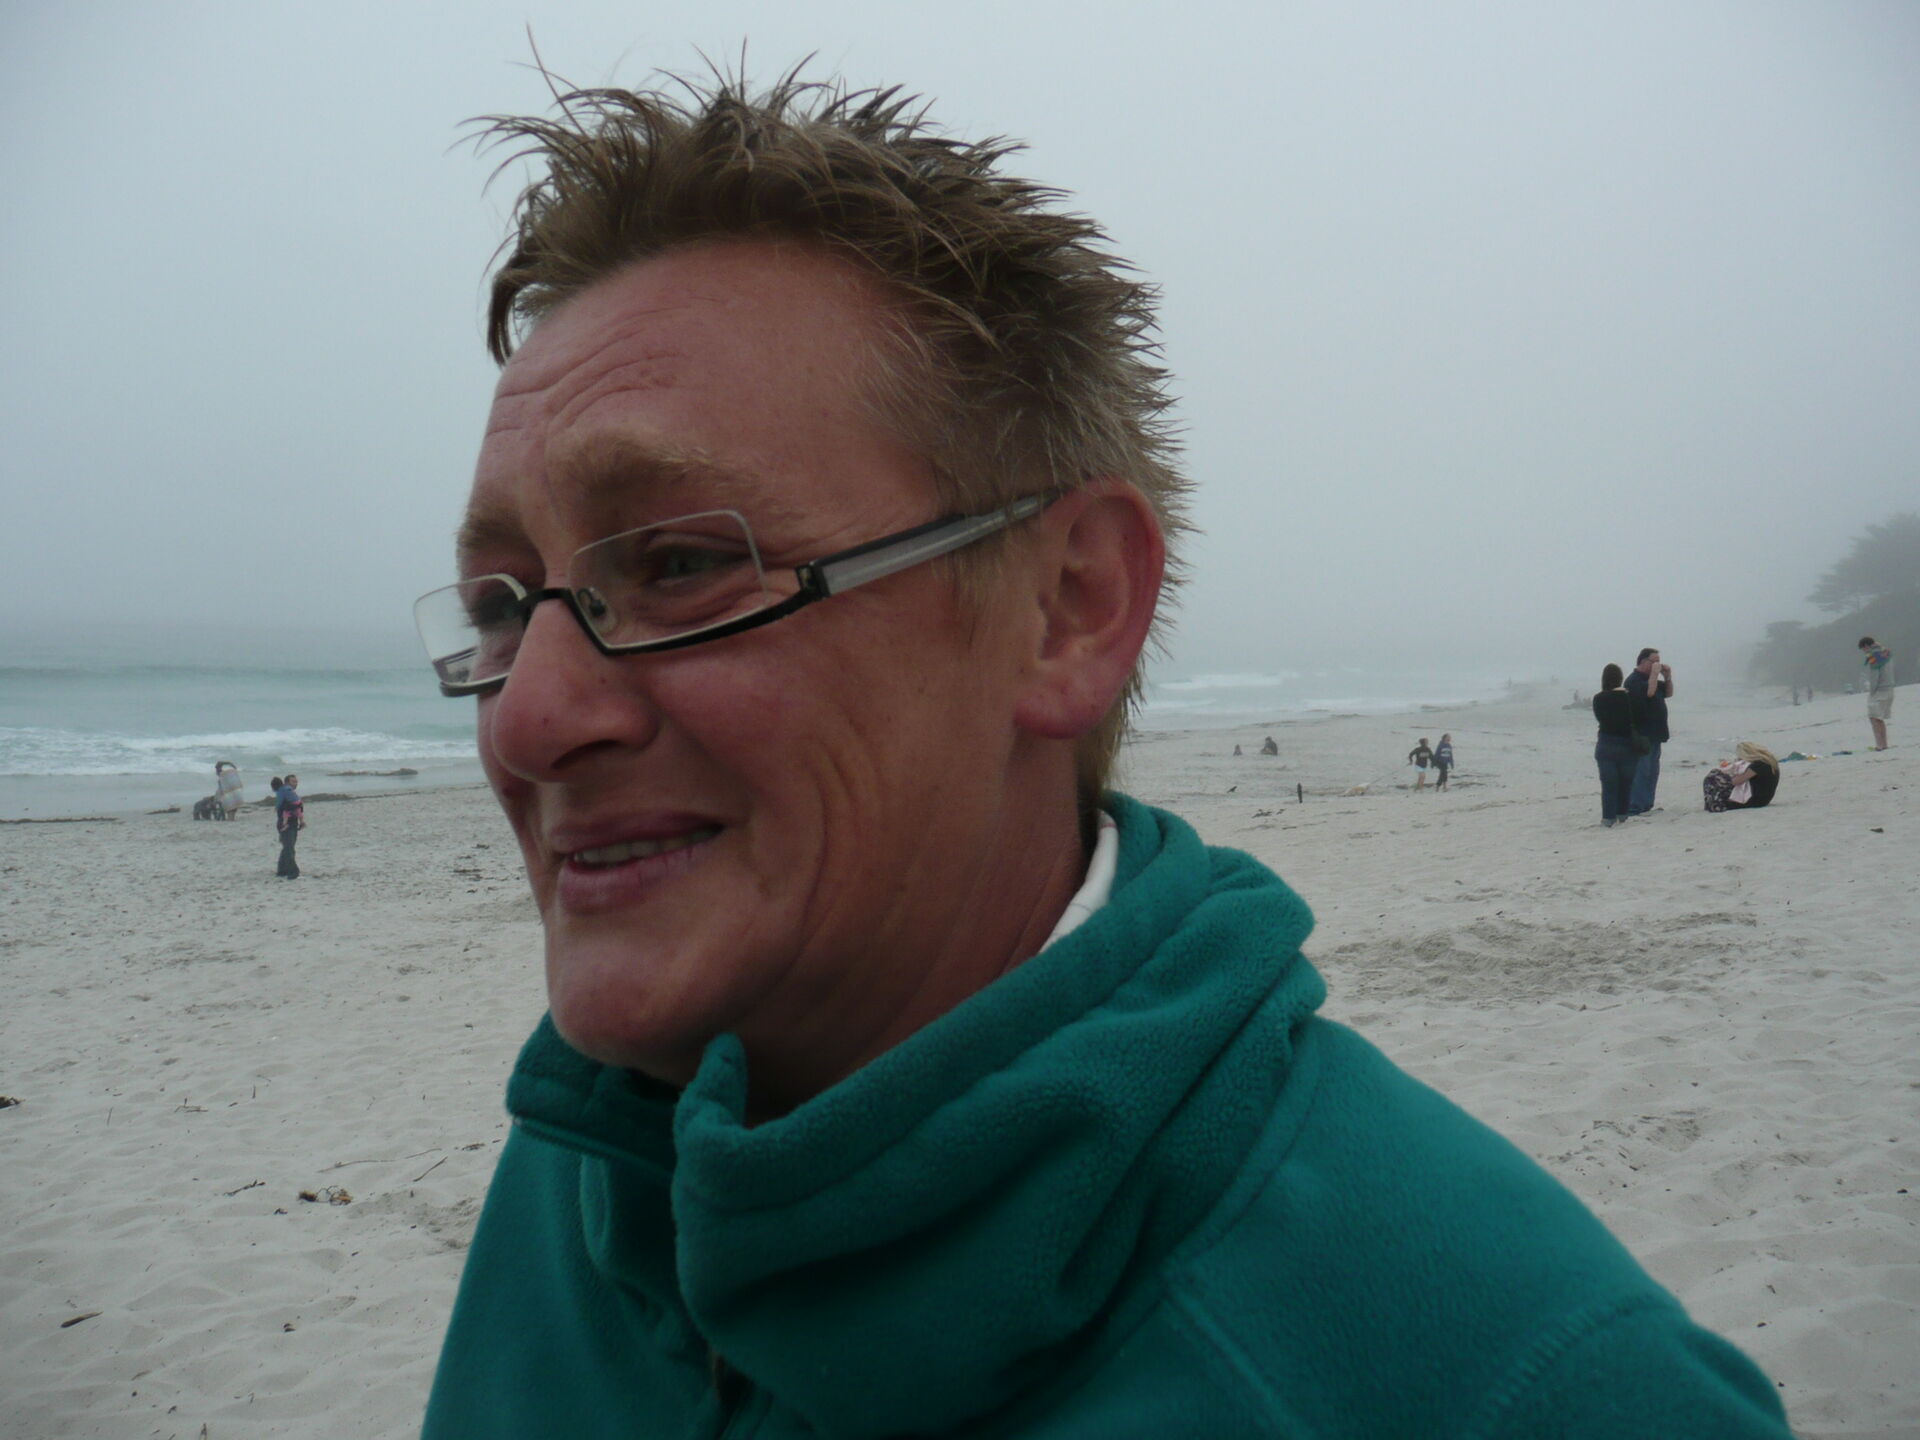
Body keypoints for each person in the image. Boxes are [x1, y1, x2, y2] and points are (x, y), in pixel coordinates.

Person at [415, 72, 1790, 1438]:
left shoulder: (1525, 1387)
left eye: (681, 564)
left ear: (1069, 610)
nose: (527, 720)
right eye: (497, 607)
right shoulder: (588, 1161)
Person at [1624, 646, 1674, 814]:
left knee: (1652, 771)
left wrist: (1667, 676)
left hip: (1656, 733)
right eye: (1654, 661)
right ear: (1643, 661)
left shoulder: (1652, 680)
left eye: (1658, 661)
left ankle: (1647, 804)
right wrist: (1654, 673)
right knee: (1642, 770)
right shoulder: (1633, 681)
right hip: (1642, 733)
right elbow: (1649, 693)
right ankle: (1635, 806)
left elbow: (1668, 693)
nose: (1657, 665)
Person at [1592, 664, 1640, 828]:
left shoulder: (1598, 698)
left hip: (1606, 743)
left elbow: (1601, 719)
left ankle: (1608, 818)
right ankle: (1623, 815)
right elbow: (1636, 719)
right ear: (1620, 678)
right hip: (1627, 744)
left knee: (1608, 784)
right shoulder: (1629, 697)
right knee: (1626, 784)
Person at [1703, 742, 1781, 813]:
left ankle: (1712, 804)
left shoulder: (1758, 765)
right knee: (1716, 776)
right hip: (1763, 798)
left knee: (1712, 777)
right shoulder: (1769, 762)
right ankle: (1712, 802)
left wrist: (1727, 775)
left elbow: (1737, 781)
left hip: (1755, 800)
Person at [1859, 636, 1894, 750]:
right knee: (1879, 718)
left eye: (1863, 649)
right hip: (1890, 688)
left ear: (1866, 646)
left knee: (1873, 717)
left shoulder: (1874, 656)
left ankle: (1879, 745)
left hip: (1880, 690)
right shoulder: (1886, 652)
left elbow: (1875, 676)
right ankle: (1884, 744)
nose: (1864, 652)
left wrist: (1871, 692)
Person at [274, 773, 303, 878]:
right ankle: (293, 872)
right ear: (286, 782)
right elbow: (297, 803)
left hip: (290, 822)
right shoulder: (286, 790)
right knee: (289, 848)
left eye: (296, 782)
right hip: (286, 823)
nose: (295, 784)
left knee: (287, 847)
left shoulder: (284, 792)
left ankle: (282, 870)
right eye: (293, 781)